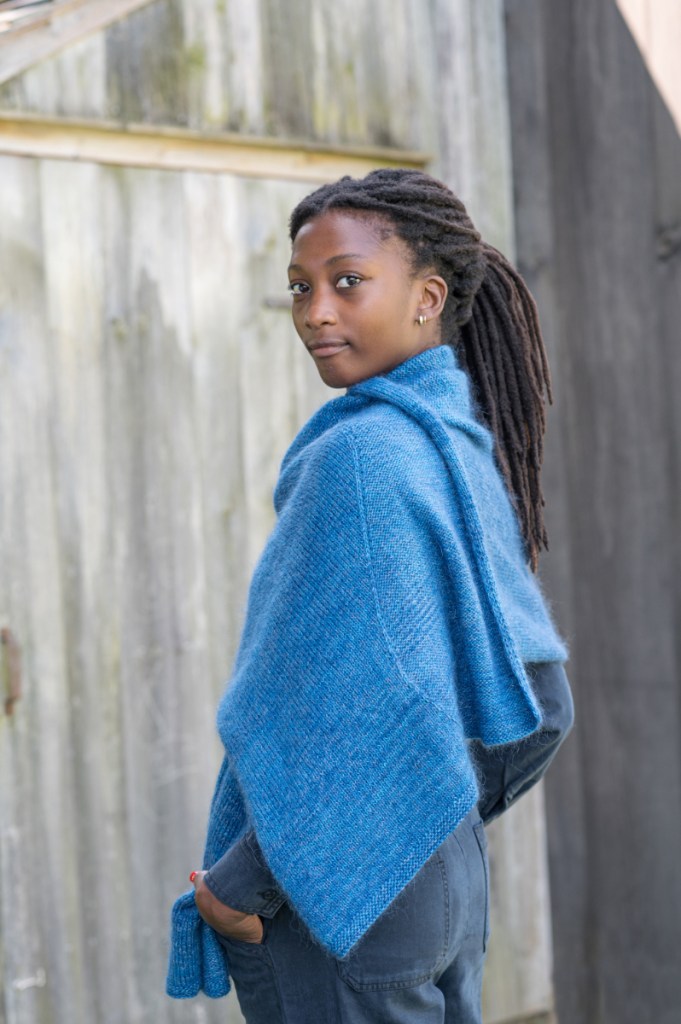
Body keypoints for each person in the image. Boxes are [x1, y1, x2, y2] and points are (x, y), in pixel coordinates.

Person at [166, 169, 573, 1023]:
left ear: (428, 296)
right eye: (299, 287)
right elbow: (543, 706)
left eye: (347, 282)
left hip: (336, 898)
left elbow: (327, 721)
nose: (315, 311)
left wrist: (237, 890)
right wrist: (427, 805)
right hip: (440, 880)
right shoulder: (458, 453)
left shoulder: (358, 463)